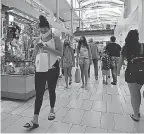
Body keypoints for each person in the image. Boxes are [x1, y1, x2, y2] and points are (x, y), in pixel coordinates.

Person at [23, 15, 62, 129]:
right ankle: (35, 119)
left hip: (53, 67)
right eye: (41, 31)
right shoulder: (37, 39)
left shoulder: (55, 39)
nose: (43, 32)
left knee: (51, 89)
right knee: (39, 93)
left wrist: (47, 48)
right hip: (40, 68)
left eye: (45, 30)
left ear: (49, 29)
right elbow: (35, 54)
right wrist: (33, 54)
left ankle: (52, 110)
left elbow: (60, 53)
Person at [117, 30, 144, 122]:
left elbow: (120, 61)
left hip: (131, 72)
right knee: (138, 92)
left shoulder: (126, 47)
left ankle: (136, 115)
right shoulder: (142, 46)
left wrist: (117, 71)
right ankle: (138, 111)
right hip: (142, 72)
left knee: (134, 94)